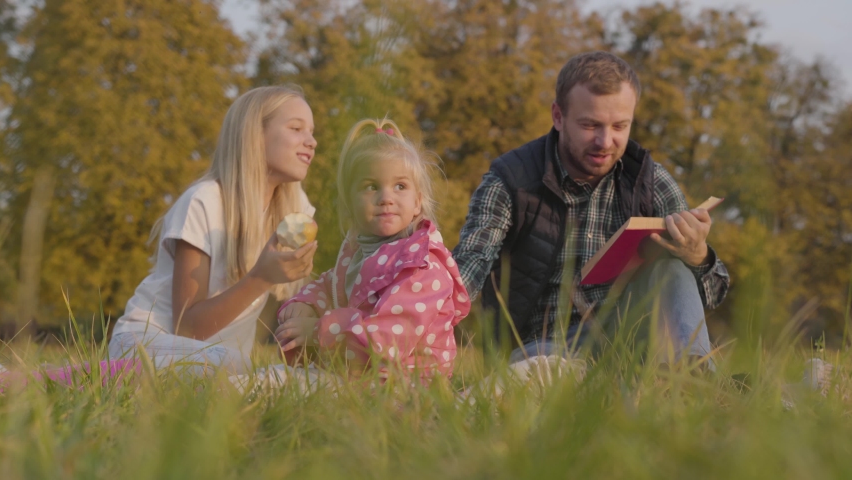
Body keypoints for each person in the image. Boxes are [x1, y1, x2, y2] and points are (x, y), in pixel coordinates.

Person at [452, 51, 730, 367]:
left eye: (619, 126)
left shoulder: (651, 181)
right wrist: (418, 314)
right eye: (590, 125)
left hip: (627, 338)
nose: (605, 141)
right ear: (558, 116)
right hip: (539, 347)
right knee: (544, 370)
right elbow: (471, 262)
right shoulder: (510, 179)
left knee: (673, 267)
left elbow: (713, 295)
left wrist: (697, 255)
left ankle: (694, 378)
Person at [107, 85, 318, 375]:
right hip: (147, 343)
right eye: (297, 128)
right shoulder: (205, 201)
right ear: (254, 137)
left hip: (218, 359)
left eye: (311, 131)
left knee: (300, 377)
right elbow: (187, 329)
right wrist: (260, 278)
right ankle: (76, 377)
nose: (311, 141)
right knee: (241, 368)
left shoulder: (295, 210)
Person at [270, 119, 470, 384]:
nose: (386, 197)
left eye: (400, 186)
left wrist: (319, 331)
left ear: (417, 202)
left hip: (406, 387)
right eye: (371, 186)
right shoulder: (358, 253)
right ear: (350, 203)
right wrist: (304, 306)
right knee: (278, 380)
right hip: (362, 379)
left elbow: (387, 341)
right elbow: (332, 287)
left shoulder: (422, 267)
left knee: (275, 382)